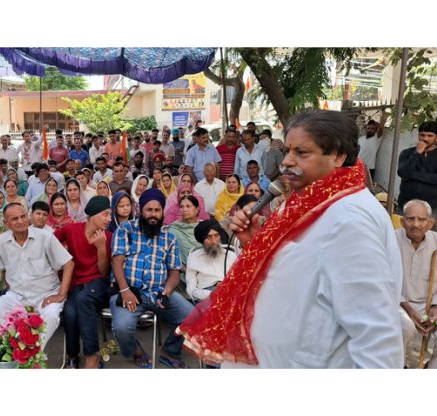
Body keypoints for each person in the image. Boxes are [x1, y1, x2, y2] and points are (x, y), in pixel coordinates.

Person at [178, 109, 404, 368]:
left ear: (339, 156)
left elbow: (377, 336)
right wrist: (256, 244)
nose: (286, 162)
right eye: (287, 151)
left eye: (302, 153)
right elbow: (302, 270)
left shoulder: (350, 218)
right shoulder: (310, 201)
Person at [110, 188, 194, 369]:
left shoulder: (169, 237)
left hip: (159, 292)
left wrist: (167, 291)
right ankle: (136, 351)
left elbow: (174, 271)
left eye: (157, 210)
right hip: (130, 292)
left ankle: (170, 351)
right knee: (123, 328)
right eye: (149, 210)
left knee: (192, 317)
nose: (153, 215)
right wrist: (124, 290)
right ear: (140, 210)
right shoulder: (126, 229)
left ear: (163, 211)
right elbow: (117, 261)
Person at [0, 203, 74, 348]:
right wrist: (12, 289)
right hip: (17, 295)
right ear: (6, 223)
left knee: (51, 315)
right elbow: (3, 270)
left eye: (23, 216)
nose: (21, 221)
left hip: (45, 295)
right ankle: (13, 349)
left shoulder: (46, 237)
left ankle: (33, 353)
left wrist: (60, 295)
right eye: (15, 219)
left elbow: (69, 264)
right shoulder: (3, 240)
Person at [56, 196, 112, 368]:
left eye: (110, 215)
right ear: (93, 215)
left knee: (83, 299)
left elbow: (104, 273)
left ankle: (92, 354)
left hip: (99, 284)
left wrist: (101, 248)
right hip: (78, 284)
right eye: (105, 214)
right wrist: (61, 261)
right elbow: (51, 242)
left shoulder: (108, 236)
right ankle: (72, 355)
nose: (109, 219)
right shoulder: (72, 230)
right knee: (70, 312)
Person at [396, 199, 437, 367]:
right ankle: (399, 367)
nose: (416, 224)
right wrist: (408, 308)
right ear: (401, 221)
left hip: (429, 305)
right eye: (410, 218)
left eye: (422, 219)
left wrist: (435, 308)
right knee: (404, 326)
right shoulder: (390, 240)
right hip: (398, 304)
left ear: (431, 223)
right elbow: (384, 281)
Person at [185, 219, 236, 302]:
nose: (214, 241)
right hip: (205, 296)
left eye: (216, 235)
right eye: (209, 237)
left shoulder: (230, 255)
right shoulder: (194, 257)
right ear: (202, 240)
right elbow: (191, 290)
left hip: (229, 294)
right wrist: (211, 294)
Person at [398, 121, 437, 213]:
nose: (425, 139)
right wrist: (417, 153)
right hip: (406, 205)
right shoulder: (407, 153)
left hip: (432, 207)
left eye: (430, 136)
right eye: (422, 135)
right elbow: (403, 173)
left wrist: (413, 175)